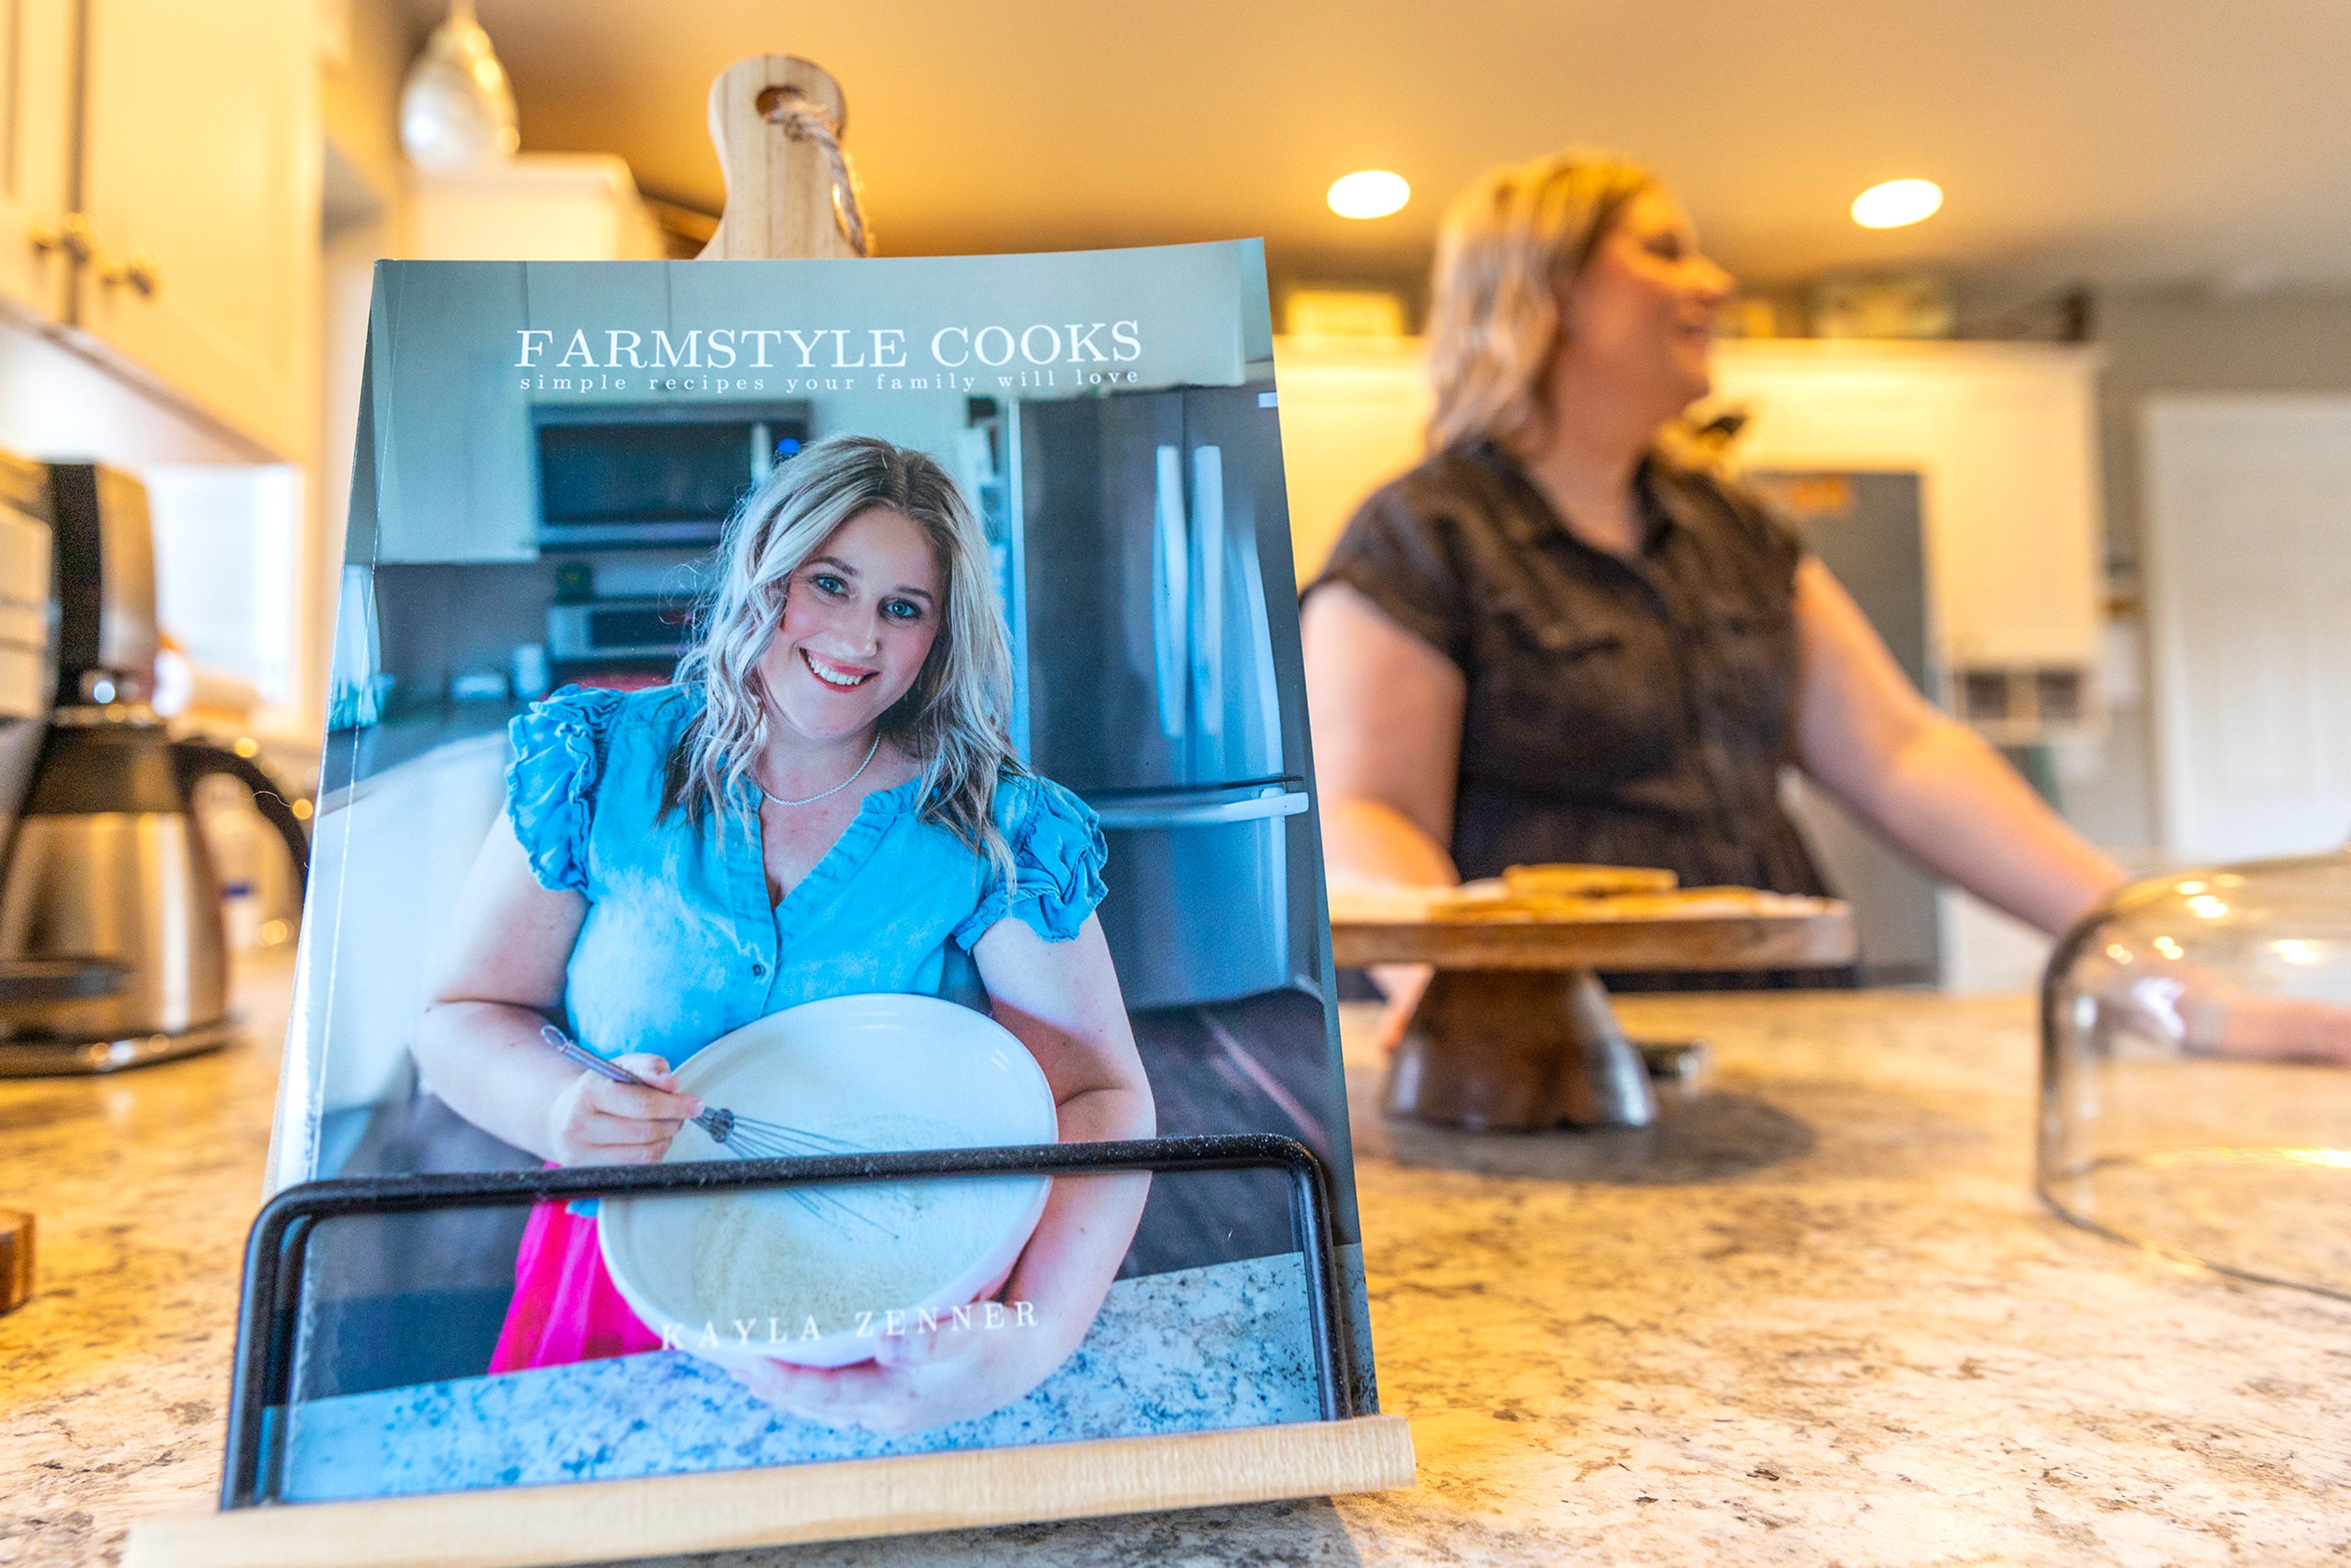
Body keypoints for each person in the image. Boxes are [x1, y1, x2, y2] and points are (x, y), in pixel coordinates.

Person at [414, 434, 1154, 1436]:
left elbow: (1101, 1096)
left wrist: (1029, 1336)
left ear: (940, 635)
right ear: (765, 572)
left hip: (902, 1295)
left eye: (904, 607)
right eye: (830, 583)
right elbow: (463, 1014)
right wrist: (558, 1107)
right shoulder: (597, 765)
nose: (858, 638)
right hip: (620, 1290)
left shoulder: (996, 825)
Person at [1301, 149, 2128, 1019]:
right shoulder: (1423, 535)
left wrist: (2134, 935)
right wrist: (1450, 1008)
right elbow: (1368, 812)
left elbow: (1903, 756)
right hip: (1550, 1053)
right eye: (1664, 249)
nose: (1717, 283)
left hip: (1785, 1029)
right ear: (1547, 288)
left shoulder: (1733, 529)